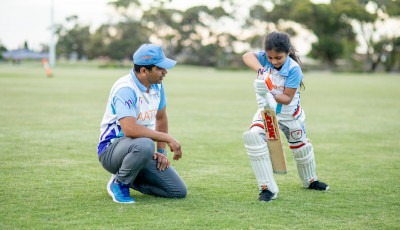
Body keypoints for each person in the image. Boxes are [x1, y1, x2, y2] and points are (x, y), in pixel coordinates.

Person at [242, 31, 329, 202]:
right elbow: (247, 56)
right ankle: (267, 189)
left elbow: (287, 98)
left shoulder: (294, 69)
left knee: (301, 148)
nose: (274, 62)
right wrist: (261, 70)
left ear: (288, 52)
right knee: (253, 139)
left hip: (290, 115)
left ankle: (310, 181)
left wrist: (268, 92)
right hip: (267, 113)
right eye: (270, 57)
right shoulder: (266, 59)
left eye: (278, 58)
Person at [97, 44, 187, 204]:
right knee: (145, 144)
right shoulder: (125, 89)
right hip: (111, 150)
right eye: (160, 69)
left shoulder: (157, 86)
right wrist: (166, 138)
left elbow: (161, 118)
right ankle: (119, 183)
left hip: (140, 150)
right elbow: (129, 129)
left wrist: (162, 152)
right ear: (144, 71)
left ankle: (128, 175)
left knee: (177, 191)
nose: (165, 72)